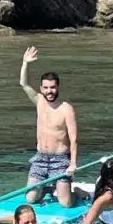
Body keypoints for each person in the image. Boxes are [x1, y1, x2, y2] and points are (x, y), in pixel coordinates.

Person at [19, 46, 78, 207]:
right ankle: (47, 189)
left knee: (65, 204)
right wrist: (25, 63)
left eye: (52, 87)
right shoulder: (39, 101)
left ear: (57, 87)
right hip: (40, 158)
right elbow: (23, 84)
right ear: (41, 88)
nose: (49, 91)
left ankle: (77, 192)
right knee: (30, 199)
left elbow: (74, 139)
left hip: (60, 161)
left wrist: (72, 163)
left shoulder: (66, 108)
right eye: (46, 87)